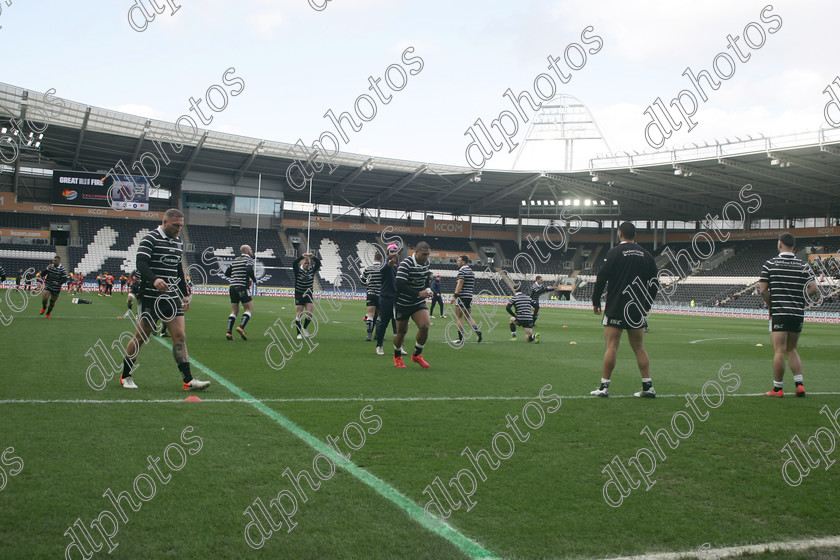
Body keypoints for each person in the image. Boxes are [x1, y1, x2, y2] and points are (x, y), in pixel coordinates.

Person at [118, 208, 211, 391]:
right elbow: (141, 264)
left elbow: (178, 270)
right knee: (141, 337)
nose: (178, 229)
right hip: (151, 297)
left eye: (181, 225)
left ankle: (188, 380)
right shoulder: (150, 238)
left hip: (171, 297)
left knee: (180, 336)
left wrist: (185, 293)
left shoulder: (177, 242)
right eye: (176, 225)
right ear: (165, 222)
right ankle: (126, 375)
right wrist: (154, 279)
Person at [590, 222, 658, 398]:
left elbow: (601, 278)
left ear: (620, 233)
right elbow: (655, 282)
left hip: (616, 305)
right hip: (636, 308)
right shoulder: (646, 255)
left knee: (612, 346)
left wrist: (596, 301)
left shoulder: (614, 252)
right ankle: (648, 386)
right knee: (639, 347)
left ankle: (604, 387)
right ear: (635, 235)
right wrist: (647, 304)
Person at [759, 232, 818, 397]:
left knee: (779, 350)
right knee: (792, 349)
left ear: (779, 244)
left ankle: (777, 389)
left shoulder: (770, 264)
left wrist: (771, 304)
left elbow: (763, 290)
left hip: (779, 312)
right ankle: (799, 384)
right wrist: (801, 300)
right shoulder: (803, 265)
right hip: (797, 312)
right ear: (794, 246)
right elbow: (814, 289)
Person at [393, 241, 434, 368]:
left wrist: (428, 289)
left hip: (417, 302)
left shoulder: (426, 263)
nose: (426, 257)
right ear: (416, 252)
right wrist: (418, 293)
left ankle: (417, 355)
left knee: (425, 325)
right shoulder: (406, 264)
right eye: (424, 254)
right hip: (402, 302)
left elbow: (426, 278)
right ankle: (397, 356)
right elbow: (399, 285)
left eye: (428, 254)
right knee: (401, 332)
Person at [374, 244, 403, 356]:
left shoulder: (400, 266)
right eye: (392, 251)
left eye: (396, 251)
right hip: (386, 298)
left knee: (399, 325)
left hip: (398, 298)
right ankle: (379, 345)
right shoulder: (384, 265)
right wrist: (389, 265)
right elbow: (383, 271)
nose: (394, 253)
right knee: (384, 323)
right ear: (387, 253)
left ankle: (399, 347)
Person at [225, 244, 256, 341]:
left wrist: (235, 276)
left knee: (234, 310)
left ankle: (229, 332)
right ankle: (241, 327)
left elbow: (227, 273)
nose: (251, 251)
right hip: (242, 286)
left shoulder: (235, 260)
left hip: (232, 287)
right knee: (249, 309)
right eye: (250, 249)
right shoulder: (248, 259)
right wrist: (254, 280)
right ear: (247, 251)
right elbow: (249, 270)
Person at [451, 256, 482, 344]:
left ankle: (460, 339)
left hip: (462, 296)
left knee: (459, 317)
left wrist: (455, 295)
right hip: (469, 296)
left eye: (459, 260)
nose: (457, 262)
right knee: (468, 317)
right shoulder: (471, 272)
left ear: (463, 262)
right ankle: (477, 330)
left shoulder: (462, 271)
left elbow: (460, 283)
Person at [292, 251, 321, 339]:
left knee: (309, 314)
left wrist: (313, 257)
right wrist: (302, 256)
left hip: (308, 294)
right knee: (299, 314)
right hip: (299, 294)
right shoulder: (298, 270)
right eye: (305, 263)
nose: (307, 264)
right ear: (302, 263)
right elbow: (294, 263)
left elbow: (318, 264)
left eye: (308, 263)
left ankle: (304, 328)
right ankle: (298, 333)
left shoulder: (311, 270)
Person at [360, 252, 383, 341]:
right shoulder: (383, 269)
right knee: (380, 316)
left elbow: (362, 281)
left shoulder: (368, 269)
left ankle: (369, 335)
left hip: (371, 293)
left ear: (374, 259)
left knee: (370, 315)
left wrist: (367, 283)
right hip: (380, 294)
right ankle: (378, 335)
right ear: (381, 259)